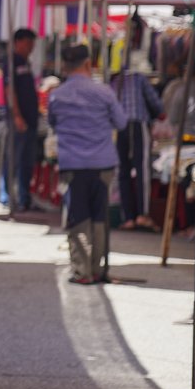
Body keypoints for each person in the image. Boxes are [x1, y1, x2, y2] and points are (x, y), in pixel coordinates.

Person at [47, 45, 127, 284]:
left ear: (65, 66)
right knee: (99, 217)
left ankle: (82, 271)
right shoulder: (104, 92)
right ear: (87, 64)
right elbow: (121, 123)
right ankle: (97, 269)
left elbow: (52, 122)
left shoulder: (57, 95)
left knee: (78, 218)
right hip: (103, 164)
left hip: (73, 166)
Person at [111, 58, 163, 231]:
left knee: (123, 171)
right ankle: (143, 214)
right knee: (142, 170)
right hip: (137, 123)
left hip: (119, 127)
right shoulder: (139, 78)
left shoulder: (114, 81)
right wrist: (160, 114)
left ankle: (128, 217)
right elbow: (155, 103)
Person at [0, 29, 40, 212]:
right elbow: (10, 90)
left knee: (27, 161)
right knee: (13, 158)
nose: (31, 47)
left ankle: (24, 198)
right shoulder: (11, 61)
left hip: (30, 120)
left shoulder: (25, 62)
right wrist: (17, 116)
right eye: (29, 43)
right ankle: (7, 196)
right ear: (19, 42)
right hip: (19, 120)